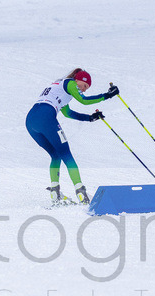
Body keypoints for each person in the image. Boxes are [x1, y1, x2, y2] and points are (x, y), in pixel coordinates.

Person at [26, 68, 118, 204]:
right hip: (46, 117)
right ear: (78, 80)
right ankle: (81, 193)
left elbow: (68, 113)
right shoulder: (70, 83)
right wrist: (107, 95)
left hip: (31, 121)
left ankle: (55, 193)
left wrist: (90, 118)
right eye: (85, 86)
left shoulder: (60, 89)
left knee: (56, 155)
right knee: (66, 154)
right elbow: (84, 100)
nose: (85, 89)